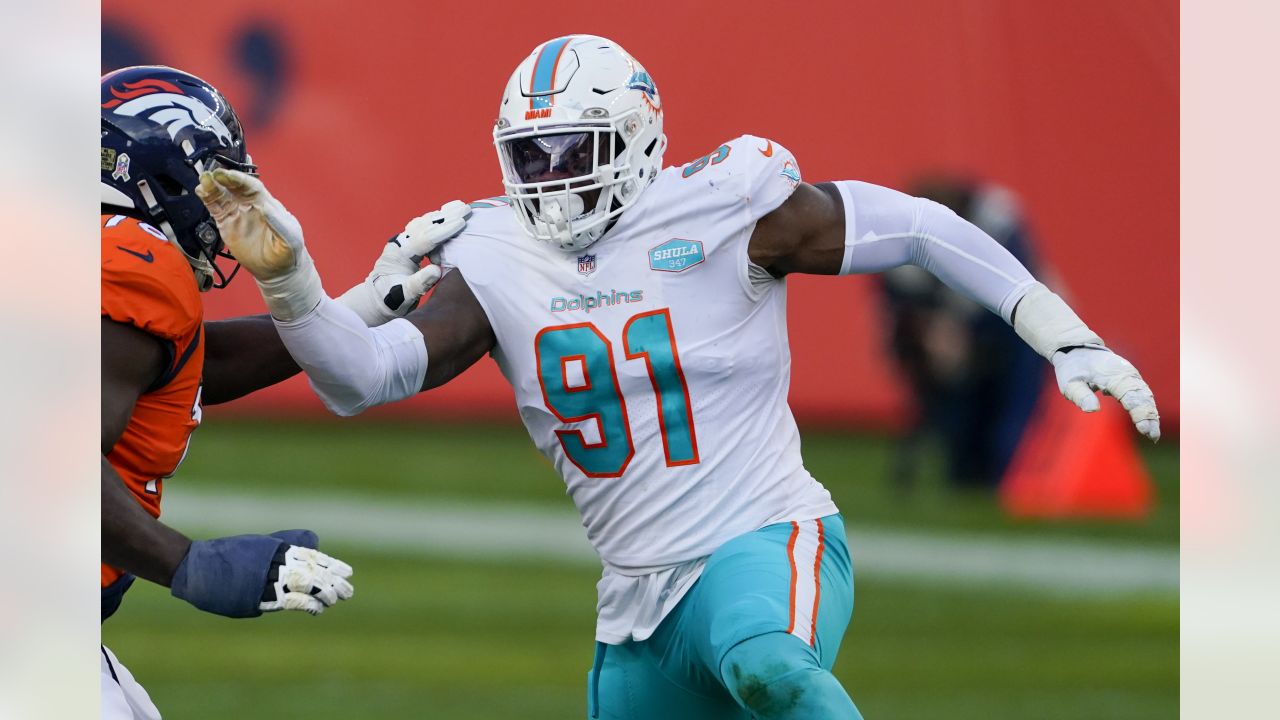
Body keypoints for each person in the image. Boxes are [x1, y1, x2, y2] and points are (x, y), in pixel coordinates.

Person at [197, 35, 1160, 720]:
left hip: (764, 536)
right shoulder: (494, 252)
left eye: (570, 151)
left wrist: (1064, 337)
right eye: (529, 156)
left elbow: (917, 225)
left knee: (768, 669)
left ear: (637, 136)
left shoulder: (729, 202)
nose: (548, 177)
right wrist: (292, 283)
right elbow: (358, 378)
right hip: (635, 600)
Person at [99, 65, 466, 719]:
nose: (223, 204)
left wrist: (349, 312)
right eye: (212, 179)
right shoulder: (133, 263)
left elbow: (178, 367)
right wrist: (191, 564)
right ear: (153, 174)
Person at [877, 178, 1045, 491]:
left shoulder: (998, 224)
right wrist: (930, 331)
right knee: (953, 413)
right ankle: (966, 473)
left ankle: (1008, 475)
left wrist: (961, 329)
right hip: (946, 327)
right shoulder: (900, 237)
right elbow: (898, 303)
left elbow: (1019, 289)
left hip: (1015, 324)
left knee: (1012, 410)